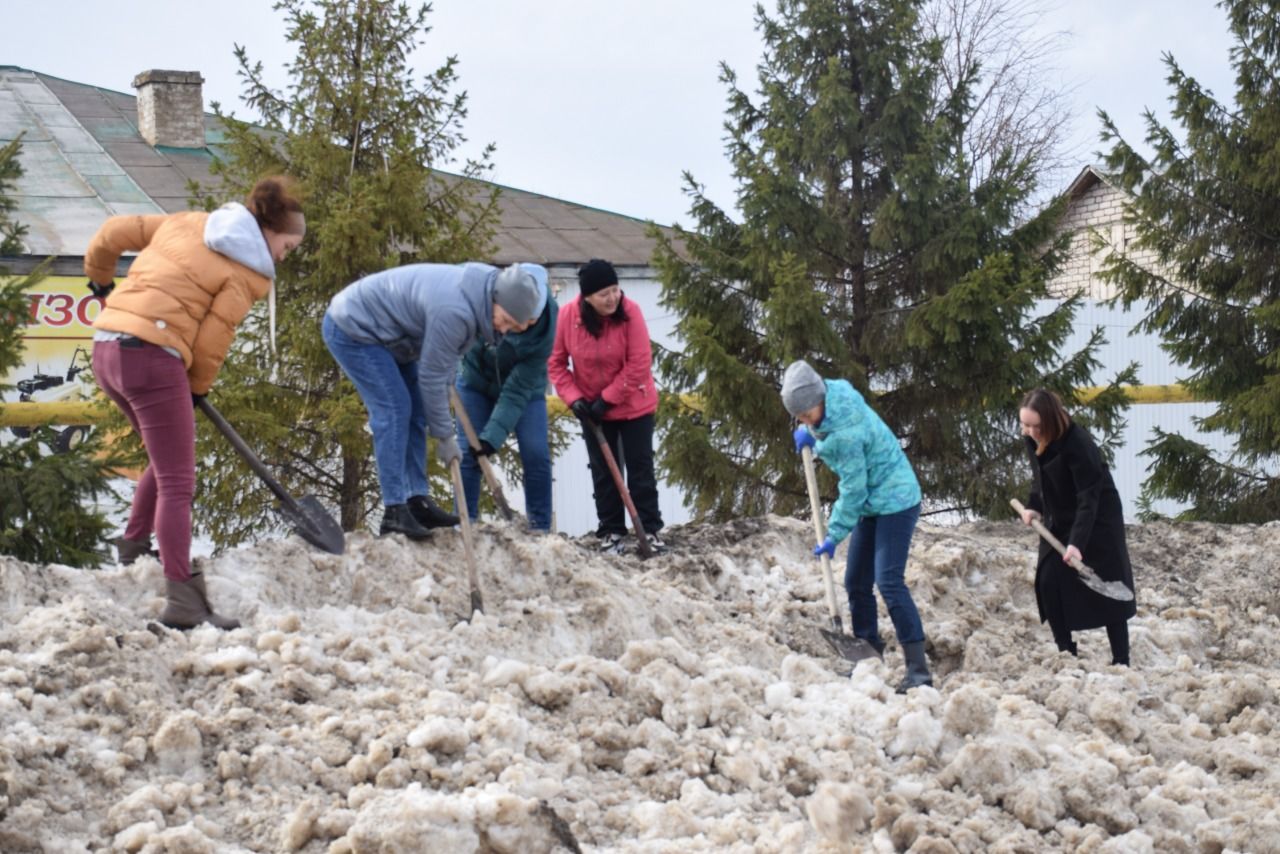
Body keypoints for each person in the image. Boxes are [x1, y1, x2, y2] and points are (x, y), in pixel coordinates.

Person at [86, 176, 306, 630]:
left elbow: (111, 234)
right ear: (268, 234)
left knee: (163, 461)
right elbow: (212, 341)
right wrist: (197, 386)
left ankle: (133, 548)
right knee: (179, 483)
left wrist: (101, 281)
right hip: (152, 356)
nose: (287, 254)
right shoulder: (249, 272)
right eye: (288, 245)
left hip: (106, 348)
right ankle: (183, 600)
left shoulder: (188, 223)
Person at [323, 262, 544, 541]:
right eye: (507, 320)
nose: (505, 329)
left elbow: (445, 356)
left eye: (513, 326)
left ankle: (415, 500)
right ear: (496, 300)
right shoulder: (457, 310)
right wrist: (444, 436)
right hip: (354, 327)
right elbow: (430, 377)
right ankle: (394, 510)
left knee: (414, 411)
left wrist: (446, 377)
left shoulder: (480, 294)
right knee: (394, 409)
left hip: (395, 336)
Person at [782, 360, 931, 692]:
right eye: (800, 417)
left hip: (896, 500)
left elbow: (853, 490)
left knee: (889, 581)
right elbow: (825, 429)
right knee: (856, 581)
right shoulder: (832, 394)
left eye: (807, 415)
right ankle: (868, 656)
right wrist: (811, 433)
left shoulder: (846, 434)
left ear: (819, 399)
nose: (805, 421)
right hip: (872, 503)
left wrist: (834, 534)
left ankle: (918, 670)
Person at [548, 259, 663, 553]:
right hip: (591, 408)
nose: (612, 298)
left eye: (615, 290)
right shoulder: (568, 317)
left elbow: (639, 363)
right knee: (604, 471)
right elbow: (557, 364)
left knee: (640, 468)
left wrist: (607, 399)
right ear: (587, 297)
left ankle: (649, 530)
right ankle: (611, 531)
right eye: (604, 294)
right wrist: (575, 399)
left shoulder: (630, 312)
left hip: (633, 402)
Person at [1017, 388, 1137, 665]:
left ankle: (1121, 659)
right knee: (1048, 580)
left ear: (1050, 420)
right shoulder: (1031, 437)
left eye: (1036, 426)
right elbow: (1040, 476)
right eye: (1025, 425)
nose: (1030, 431)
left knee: (1109, 588)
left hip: (1097, 518)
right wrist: (1034, 504)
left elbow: (1088, 497)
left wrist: (1077, 543)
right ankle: (1066, 653)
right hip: (1058, 515)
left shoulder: (1078, 444)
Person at [454, 266, 556, 532]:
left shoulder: (547, 327)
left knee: (536, 452)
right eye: (514, 320)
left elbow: (516, 391)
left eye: (528, 323)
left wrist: (491, 438)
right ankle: (465, 526)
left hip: (525, 389)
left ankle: (540, 529)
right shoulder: (488, 300)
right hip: (475, 381)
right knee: (468, 453)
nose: (520, 328)